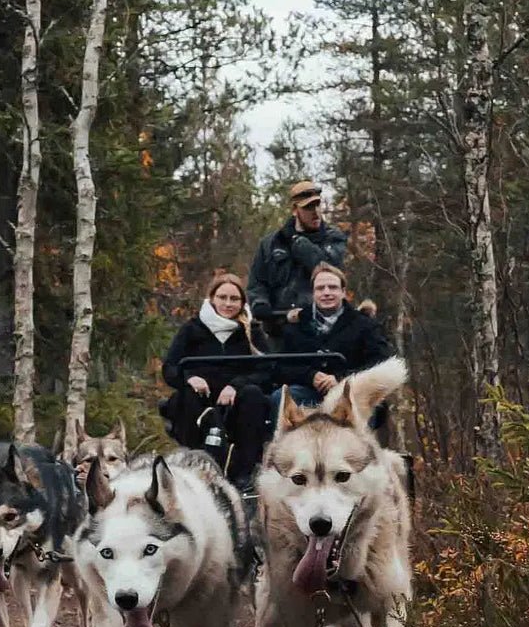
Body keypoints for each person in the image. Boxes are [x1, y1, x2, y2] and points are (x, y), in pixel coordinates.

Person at [161, 272, 271, 490]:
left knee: (254, 396)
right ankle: (196, 466)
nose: (228, 304)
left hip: (238, 398)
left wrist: (236, 386)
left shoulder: (252, 331)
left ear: (242, 302)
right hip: (201, 397)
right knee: (185, 398)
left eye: (234, 299)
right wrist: (190, 378)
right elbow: (170, 367)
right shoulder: (192, 328)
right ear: (212, 298)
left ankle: (244, 473)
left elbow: (266, 370)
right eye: (223, 297)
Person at [271, 262, 392, 418]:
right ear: (313, 293)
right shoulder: (296, 326)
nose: (326, 292)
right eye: (320, 288)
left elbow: (380, 362)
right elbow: (281, 367)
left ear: (343, 292)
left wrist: (340, 378)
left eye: (333, 287)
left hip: (352, 395)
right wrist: (311, 376)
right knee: (279, 399)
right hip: (307, 393)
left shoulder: (364, 325)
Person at [247, 179, 347, 335]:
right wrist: (259, 304)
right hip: (279, 327)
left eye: (317, 205)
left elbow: (326, 268)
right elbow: (257, 282)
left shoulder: (334, 238)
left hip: (320, 327)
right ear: (295, 210)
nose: (315, 212)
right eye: (308, 207)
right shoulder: (271, 243)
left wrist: (296, 240)